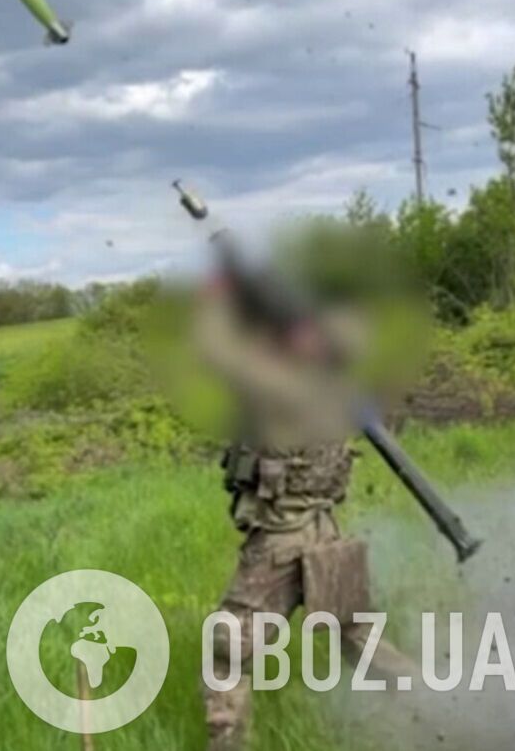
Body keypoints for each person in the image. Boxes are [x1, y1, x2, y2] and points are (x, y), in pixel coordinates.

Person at [195, 281, 412, 750]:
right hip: (326, 536)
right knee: (357, 635)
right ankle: (436, 707)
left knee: (226, 653)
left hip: (279, 547)